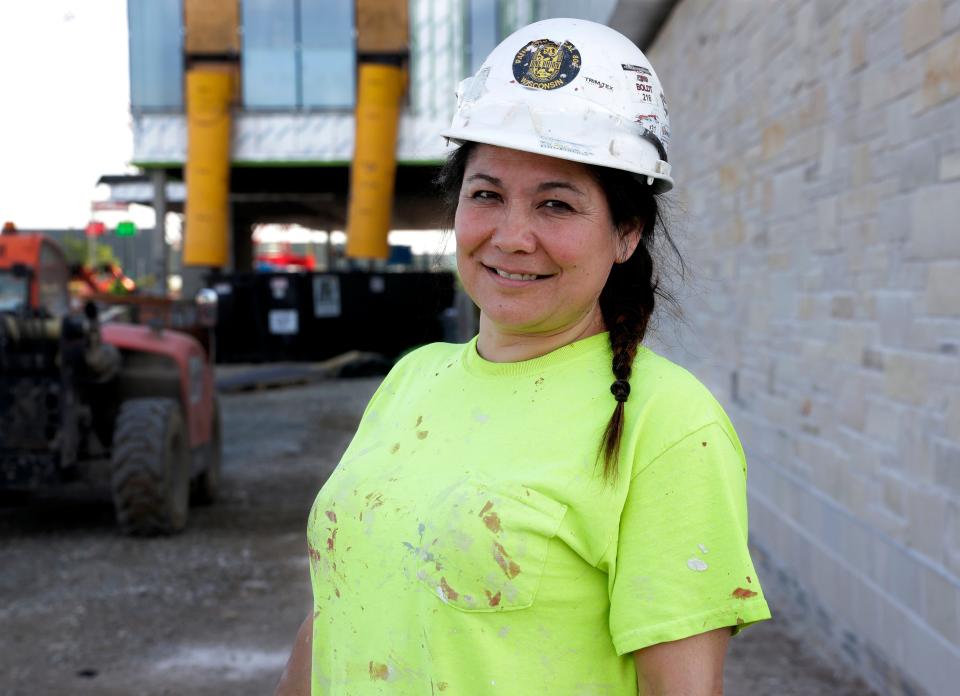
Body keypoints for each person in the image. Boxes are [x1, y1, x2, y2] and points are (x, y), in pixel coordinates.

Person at [276, 17, 770, 695]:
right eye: (486, 195)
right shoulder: (410, 379)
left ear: (627, 232)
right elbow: (334, 611)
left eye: (556, 205)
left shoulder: (670, 425)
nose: (511, 237)